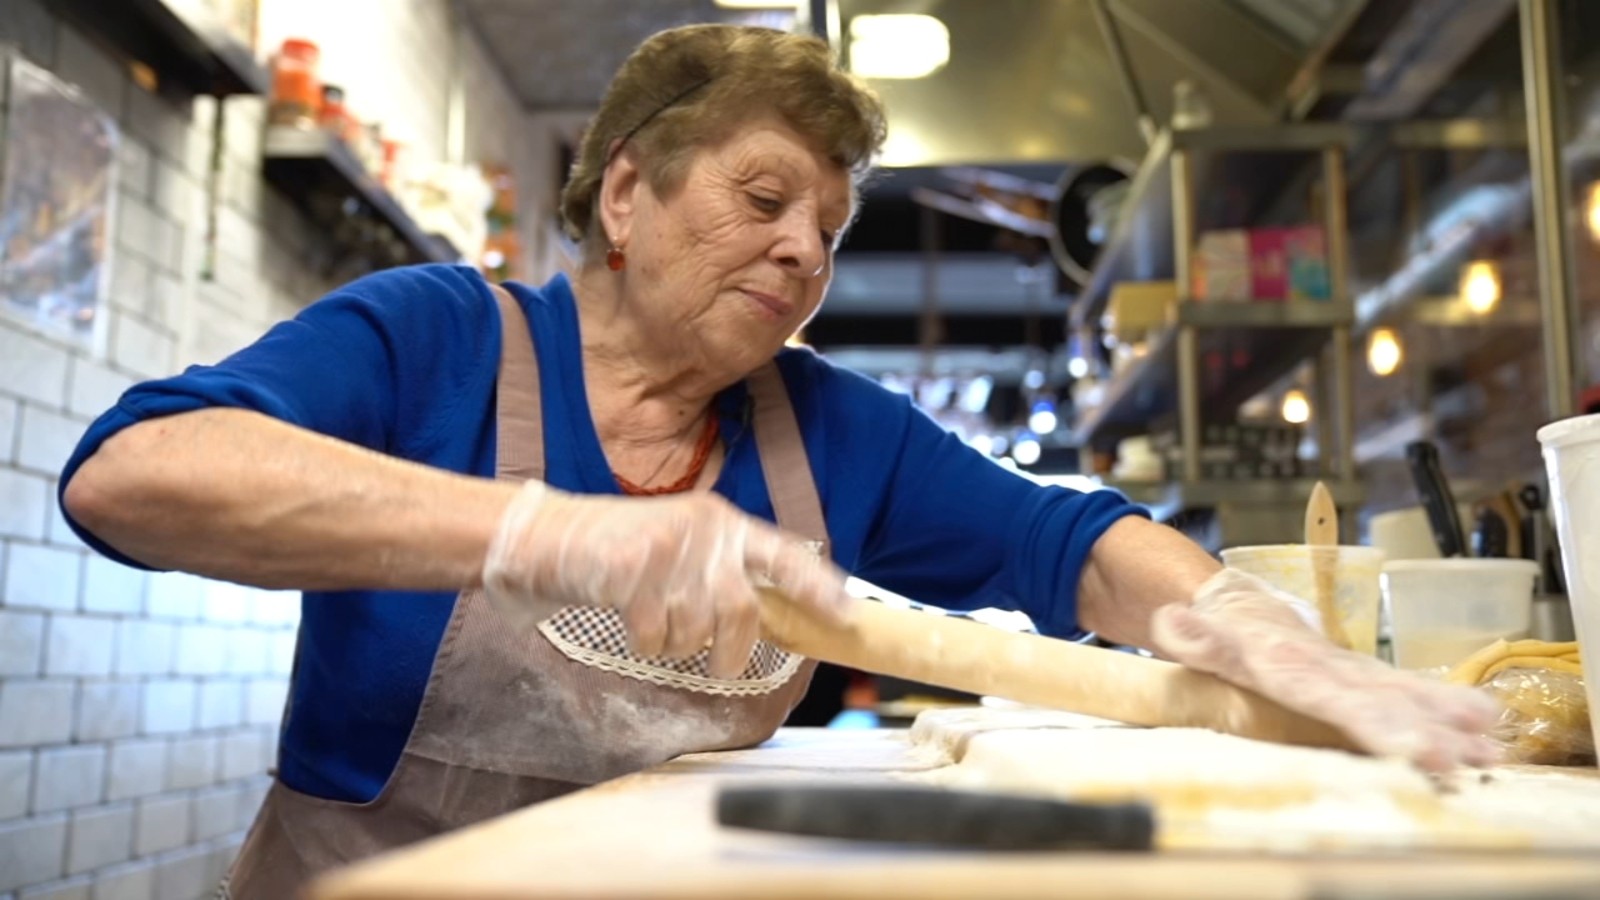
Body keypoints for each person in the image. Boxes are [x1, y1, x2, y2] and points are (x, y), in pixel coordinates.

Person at [59, 23, 1496, 898]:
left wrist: (1245, 623)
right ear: (629, 192)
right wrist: (547, 532)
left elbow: (1061, 543)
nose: (805, 250)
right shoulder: (437, 338)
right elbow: (131, 474)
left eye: (830, 227)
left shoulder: (827, 429)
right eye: (763, 199)